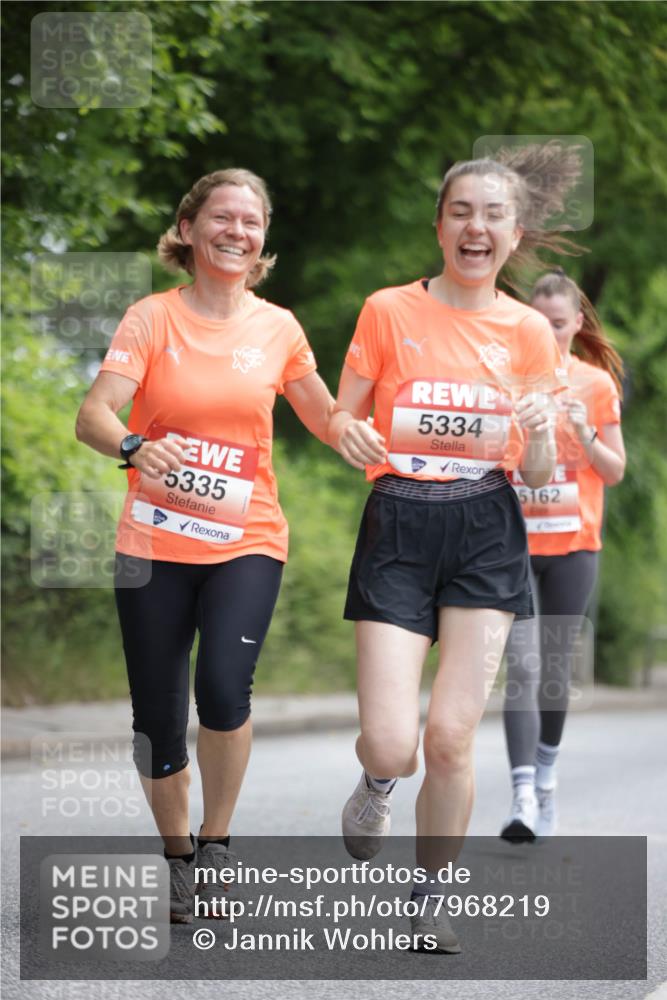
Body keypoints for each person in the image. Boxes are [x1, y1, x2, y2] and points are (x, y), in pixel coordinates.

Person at [328, 143, 583, 954]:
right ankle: (374, 781)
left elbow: (537, 471)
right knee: (396, 744)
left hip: (486, 527)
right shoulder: (387, 310)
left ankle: (428, 896)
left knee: (448, 739)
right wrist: (350, 434)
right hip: (398, 523)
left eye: (493, 215)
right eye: (461, 212)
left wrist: (539, 436)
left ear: (514, 236)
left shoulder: (526, 333)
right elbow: (343, 417)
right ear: (439, 226)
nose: (476, 226)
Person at [75, 168, 333, 923]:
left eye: (251, 222)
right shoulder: (151, 318)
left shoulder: (278, 327)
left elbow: (327, 417)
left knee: (223, 688)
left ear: (262, 241)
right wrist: (132, 443)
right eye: (222, 217)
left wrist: (379, 433)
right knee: (157, 718)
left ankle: (216, 844)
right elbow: (92, 414)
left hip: (245, 539)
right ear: (187, 230)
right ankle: (178, 857)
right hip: (153, 542)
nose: (237, 232)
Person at [501, 268, 625, 842]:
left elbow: (615, 471)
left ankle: (546, 777)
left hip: (574, 546)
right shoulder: (506, 380)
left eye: (557, 324)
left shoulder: (595, 384)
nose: (547, 333)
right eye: (538, 322)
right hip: (514, 543)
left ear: (576, 323)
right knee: (522, 667)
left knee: (553, 673)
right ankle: (523, 797)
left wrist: (587, 433)